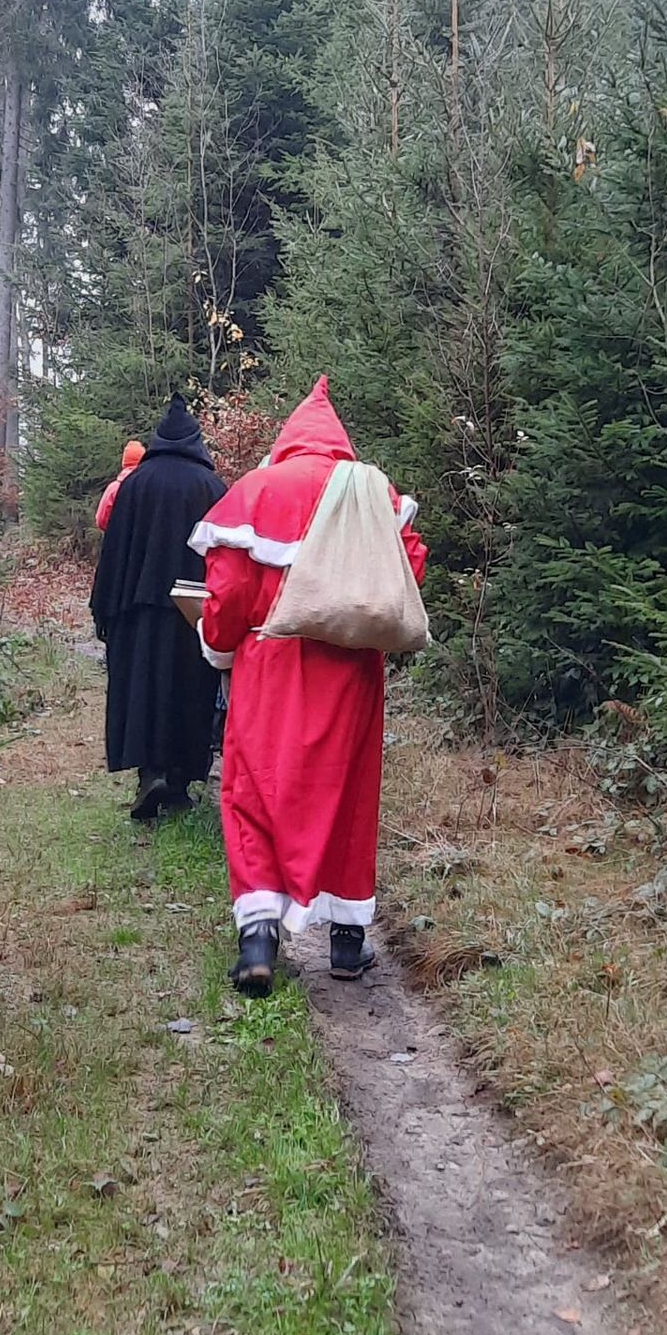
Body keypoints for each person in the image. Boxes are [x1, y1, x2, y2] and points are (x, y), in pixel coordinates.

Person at [189, 378, 426, 995]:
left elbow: (227, 592)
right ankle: (346, 943)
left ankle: (258, 938)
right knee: (345, 796)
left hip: (270, 666)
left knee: (253, 791)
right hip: (350, 670)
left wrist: (219, 647)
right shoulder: (373, 493)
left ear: (287, 441)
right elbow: (408, 570)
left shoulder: (257, 490)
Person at [89, 396, 226, 820]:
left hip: (137, 611)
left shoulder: (135, 485)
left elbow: (113, 552)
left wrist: (103, 609)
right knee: (190, 691)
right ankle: (180, 781)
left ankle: (150, 774)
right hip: (193, 610)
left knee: (141, 689)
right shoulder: (212, 487)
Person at [95, 438, 146, 531]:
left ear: (124, 462)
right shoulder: (149, 487)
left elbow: (101, 520)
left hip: (117, 536)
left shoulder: (114, 488)